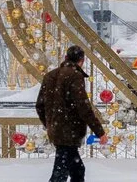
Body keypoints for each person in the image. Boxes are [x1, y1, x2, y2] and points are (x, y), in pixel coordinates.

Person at [36, 45, 107, 182]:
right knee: (60, 174)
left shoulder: (50, 76)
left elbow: (39, 105)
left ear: (66, 58)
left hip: (57, 131)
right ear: (82, 60)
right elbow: (83, 107)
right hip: (70, 132)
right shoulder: (75, 76)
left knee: (77, 170)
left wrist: (50, 123)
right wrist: (99, 132)